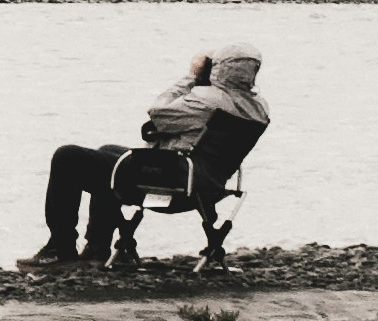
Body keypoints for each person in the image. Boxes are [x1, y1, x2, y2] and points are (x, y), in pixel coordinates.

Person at [31, 47, 271, 266]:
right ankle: (96, 248)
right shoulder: (258, 107)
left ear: (220, 69)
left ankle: (61, 247)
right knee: (107, 151)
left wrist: (191, 77)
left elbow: (158, 113)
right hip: (208, 186)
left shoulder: (208, 100)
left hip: (173, 184)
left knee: (67, 157)